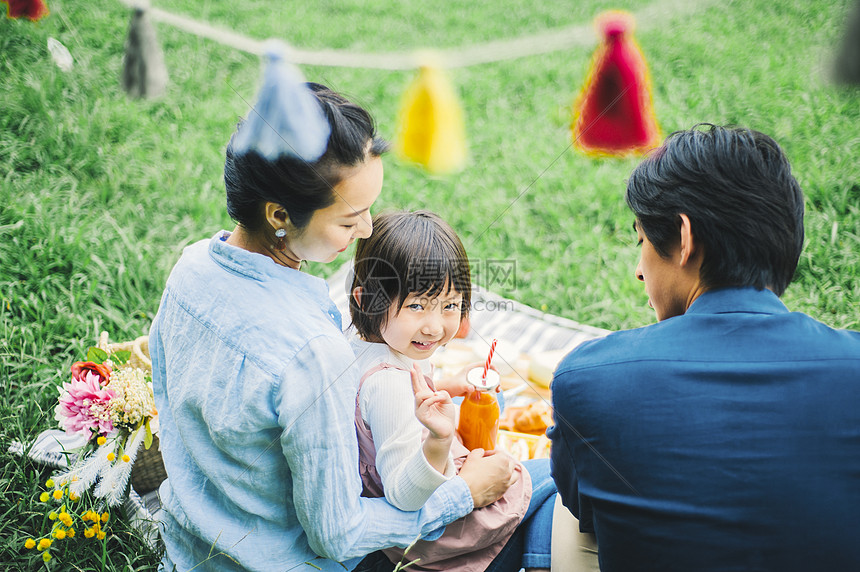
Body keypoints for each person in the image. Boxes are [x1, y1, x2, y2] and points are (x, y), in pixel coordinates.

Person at [149, 83, 517, 572]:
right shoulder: (312, 351)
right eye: (349, 220)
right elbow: (337, 536)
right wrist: (463, 494)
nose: (366, 230)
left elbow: (177, 418)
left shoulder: (190, 269)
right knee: (529, 498)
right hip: (283, 562)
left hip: (189, 548)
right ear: (279, 215)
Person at [548, 124, 860, 571]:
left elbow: (584, 508)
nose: (639, 271)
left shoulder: (588, 379)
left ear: (684, 238)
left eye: (641, 241)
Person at [349, 210, 557, 572]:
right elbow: (403, 495)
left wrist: (445, 386)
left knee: (491, 399)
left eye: (449, 306)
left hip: (419, 476)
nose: (433, 327)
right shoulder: (388, 387)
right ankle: (534, 561)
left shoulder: (374, 346)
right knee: (555, 471)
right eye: (416, 306)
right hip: (434, 537)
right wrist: (439, 441)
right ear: (367, 300)